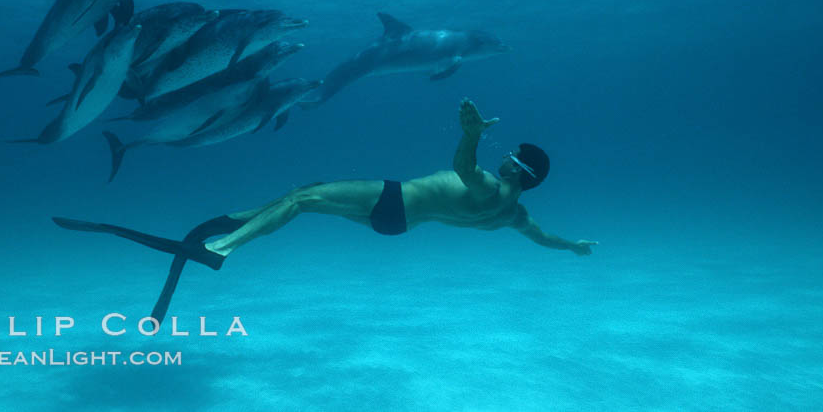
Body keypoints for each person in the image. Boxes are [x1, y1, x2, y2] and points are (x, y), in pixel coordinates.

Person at [54, 99, 597, 320]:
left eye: (512, 161)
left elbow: (461, 167)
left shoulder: (491, 187)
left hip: (394, 199)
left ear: (521, 175)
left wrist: (471, 136)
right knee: (310, 194)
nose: (505, 163)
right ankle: (245, 219)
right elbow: (543, 238)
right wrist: (573, 247)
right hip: (398, 225)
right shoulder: (514, 215)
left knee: (303, 197)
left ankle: (224, 245)